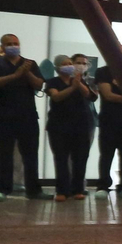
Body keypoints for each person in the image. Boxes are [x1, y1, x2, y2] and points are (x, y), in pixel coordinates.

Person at [0, 33, 46, 201]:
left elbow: (39, 85)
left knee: (31, 155)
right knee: (4, 154)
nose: (13, 46)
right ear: (2, 47)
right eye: (9, 44)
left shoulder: (29, 64)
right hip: (2, 117)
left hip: (27, 117)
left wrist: (26, 73)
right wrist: (15, 76)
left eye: (16, 43)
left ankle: (34, 190)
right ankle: (2, 189)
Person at [44, 54, 95, 201]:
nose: (69, 66)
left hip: (81, 126)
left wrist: (77, 83)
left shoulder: (80, 81)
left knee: (80, 159)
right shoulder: (53, 82)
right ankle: (62, 191)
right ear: (58, 67)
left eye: (69, 63)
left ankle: (78, 189)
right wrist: (73, 87)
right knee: (61, 159)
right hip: (58, 127)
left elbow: (89, 95)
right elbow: (56, 97)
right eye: (65, 64)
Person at [95, 46, 122, 193]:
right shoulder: (103, 72)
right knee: (107, 155)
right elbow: (108, 95)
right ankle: (103, 185)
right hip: (109, 121)